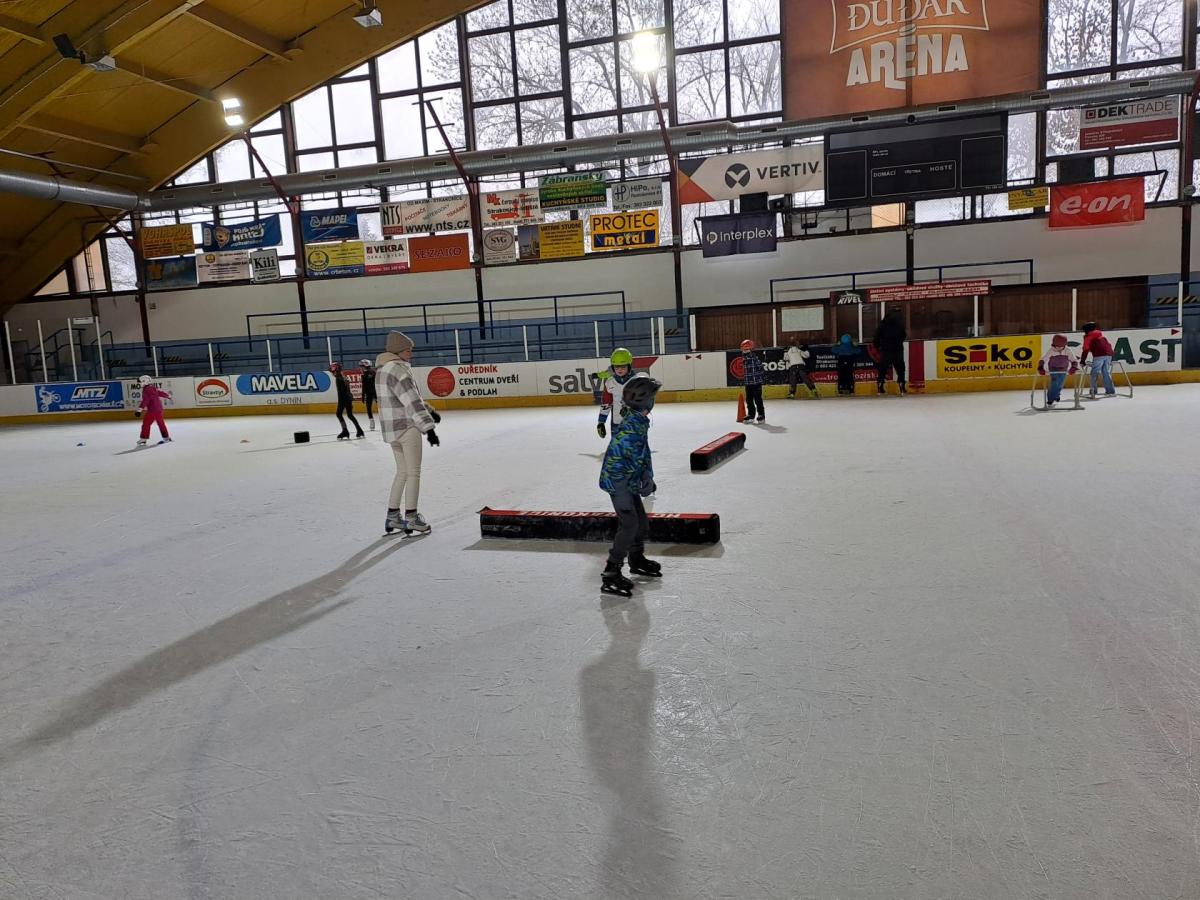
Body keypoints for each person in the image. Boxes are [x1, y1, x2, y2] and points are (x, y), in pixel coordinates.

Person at [599, 374, 662, 598]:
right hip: (619, 482)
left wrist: (646, 476)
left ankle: (636, 559)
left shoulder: (638, 422)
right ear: (646, 401)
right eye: (653, 397)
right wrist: (636, 481)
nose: (655, 401)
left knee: (641, 523)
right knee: (629, 525)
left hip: (629, 479)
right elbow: (618, 462)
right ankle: (611, 572)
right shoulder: (631, 430)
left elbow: (641, 454)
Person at [376, 331, 441, 536]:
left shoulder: (382, 370)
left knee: (402, 472)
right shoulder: (399, 370)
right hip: (407, 427)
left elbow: (403, 399)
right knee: (413, 472)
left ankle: (393, 516)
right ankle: (412, 518)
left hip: (392, 429)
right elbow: (411, 401)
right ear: (398, 351)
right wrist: (429, 428)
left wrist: (429, 410)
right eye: (407, 350)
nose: (411, 354)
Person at [597, 347, 636, 438]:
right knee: (616, 444)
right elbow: (606, 403)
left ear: (629, 366)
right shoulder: (610, 383)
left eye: (623, 366)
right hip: (616, 422)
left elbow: (643, 403)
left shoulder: (636, 381)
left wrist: (629, 409)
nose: (619, 369)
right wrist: (601, 422)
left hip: (633, 422)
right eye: (616, 367)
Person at [1037, 333, 1080, 407]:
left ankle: (1056, 395)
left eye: (1061, 347)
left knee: (1060, 384)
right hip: (1053, 368)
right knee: (1055, 382)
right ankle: (1050, 399)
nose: (1059, 348)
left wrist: (1073, 367)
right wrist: (1040, 367)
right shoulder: (1051, 350)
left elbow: (1074, 360)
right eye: (1057, 346)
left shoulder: (1067, 350)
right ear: (1054, 344)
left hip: (1063, 369)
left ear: (1064, 345)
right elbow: (1043, 359)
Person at [872, 308, 907, 395]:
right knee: (900, 369)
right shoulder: (899, 324)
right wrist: (898, 342)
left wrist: (878, 346)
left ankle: (880, 385)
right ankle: (901, 386)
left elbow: (876, 337)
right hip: (897, 349)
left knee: (882, 369)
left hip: (886, 350)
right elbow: (903, 335)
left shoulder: (883, 324)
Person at [1079, 322, 1116, 398]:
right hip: (1109, 354)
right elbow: (1108, 346)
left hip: (1099, 355)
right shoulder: (1100, 335)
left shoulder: (1088, 337)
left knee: (1094, 372)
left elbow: (1085, 350)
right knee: (1106, 372)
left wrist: (1082, 360)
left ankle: (1093, 391)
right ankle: (1110, 391)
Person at [330, 362, 364, 440]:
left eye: (333, 371)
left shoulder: (339, 378)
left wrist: (342, 402)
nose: (333, 373)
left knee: (339, 414)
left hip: (344, 399)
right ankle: (359, 430)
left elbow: (342, 392)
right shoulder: (343, 376)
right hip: (347, 398)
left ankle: (345, 431)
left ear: (337, 370)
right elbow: (347, 389)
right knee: (350, 415)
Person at [135, 375, 172, 446]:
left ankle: (143, 439)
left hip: (152, 410)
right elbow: (159, 393)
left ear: (144, 381)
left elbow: (146, 400)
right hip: (159, 409)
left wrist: (139, 409)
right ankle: (166, 437)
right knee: (161, 424)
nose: (139, 384)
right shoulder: (152, 387)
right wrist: (167, 396)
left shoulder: (147, 389)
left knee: (146, 424)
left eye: (140, 382)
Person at [739, 339, 766, 423]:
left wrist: (758, 377)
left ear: (751, 349)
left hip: (756, 383)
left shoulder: (754, 357)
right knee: (749, 400)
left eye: (747, 349)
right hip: (748, 383)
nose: (745, 351)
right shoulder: (744, 358)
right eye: (744, 349)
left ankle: (761, 415)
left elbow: (761, 368)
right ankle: (751, 415)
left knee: (758, 400)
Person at [359, 359, 378, 431]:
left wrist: (363, 395)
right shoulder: (364, 374)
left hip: (375, 392)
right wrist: (363, 395)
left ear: (365, 366)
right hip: (369, 393)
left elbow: (376, 382)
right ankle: (371, 421)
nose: (360, 368)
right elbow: (364, 386)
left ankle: (373, 422)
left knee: (378, 408)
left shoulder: (372, 372)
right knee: (368, 407)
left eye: (361, 366)